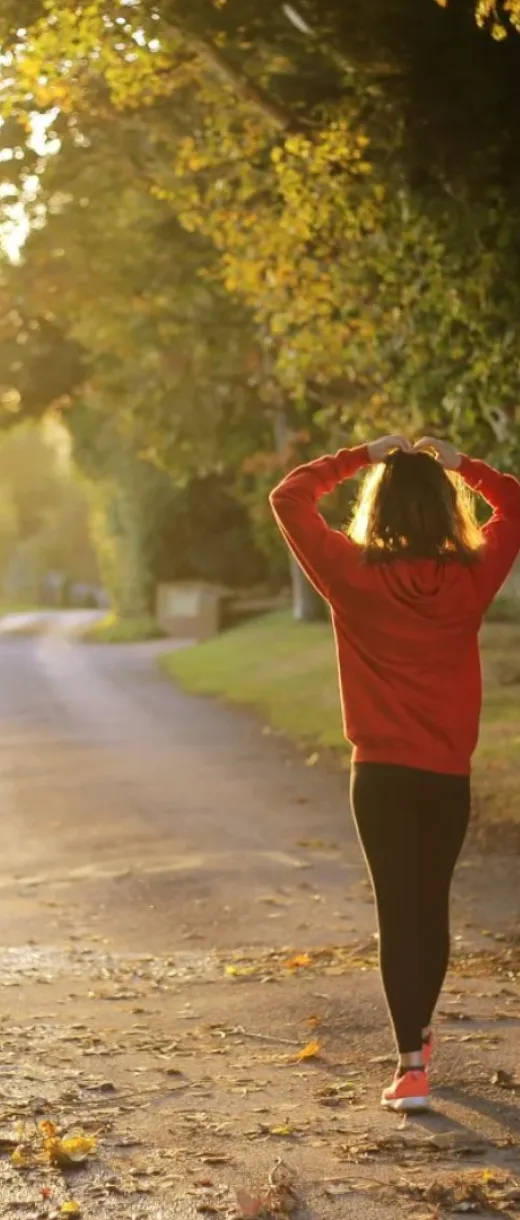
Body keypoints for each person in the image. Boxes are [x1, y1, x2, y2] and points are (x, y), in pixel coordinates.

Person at [269, 434, 520, 1112]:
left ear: (377, 509)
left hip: (379, 774)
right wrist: (463, 465)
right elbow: (517, 504)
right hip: (446, 776)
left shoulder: (352, 574)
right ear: (446, 508)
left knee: (396, 912)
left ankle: (411, 1064)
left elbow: (289, 498)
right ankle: (419, 1036)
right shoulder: (469, 578)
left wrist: (359, 455)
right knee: (429, 905)